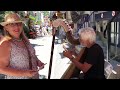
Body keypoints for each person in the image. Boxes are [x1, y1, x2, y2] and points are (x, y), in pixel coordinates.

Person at [0, 12, 45, 79]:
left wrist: (38, 62)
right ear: (6, 28)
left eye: (18, 23)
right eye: (12, 24)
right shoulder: (6, 43)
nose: (16, 26)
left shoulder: (25, 40)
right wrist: (24, 73)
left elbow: (31, 55)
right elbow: (1, 69)